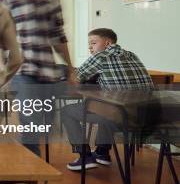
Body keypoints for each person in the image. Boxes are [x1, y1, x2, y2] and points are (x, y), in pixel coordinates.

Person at [0, 0, 76, 184]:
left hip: (48, 72)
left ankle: (28, 182)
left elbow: (58, 35)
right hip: (23, 72)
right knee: (31, 133)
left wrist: (69, 67)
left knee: (42, 134)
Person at [62, 28, 154, 171]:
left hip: (121, 117)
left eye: (93, 43)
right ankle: (102, 152)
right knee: (108, 104)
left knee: (68, 110)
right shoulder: (132, 55)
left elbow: (75, 77)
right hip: (146, 116)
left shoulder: (100, 57)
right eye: (89, 44)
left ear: (107, 42)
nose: (90, 47)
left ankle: (84, 156)